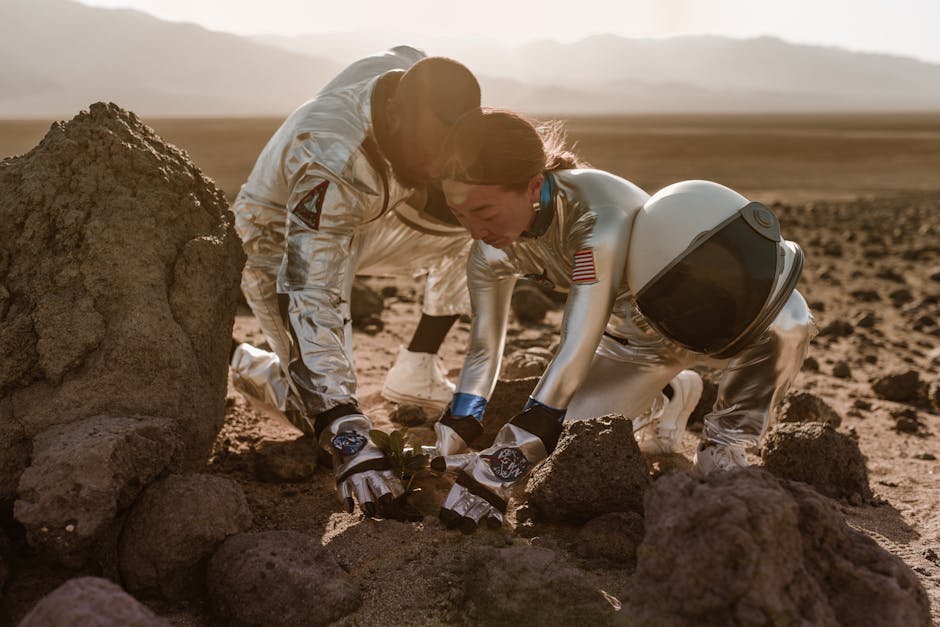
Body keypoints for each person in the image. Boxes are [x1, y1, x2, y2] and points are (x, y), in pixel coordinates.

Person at [429, 109, 815, 532]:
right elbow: (485, 348)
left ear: (532, 186)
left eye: (484, 212)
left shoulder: (596, 216)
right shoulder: (489, 252)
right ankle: (670, 393)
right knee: (571, 448)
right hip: (635, 346)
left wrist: (502, 464)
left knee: (789, 319)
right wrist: (456, 427)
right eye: (459, 214)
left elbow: (577, 340)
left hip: (706, 314)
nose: (475, 231)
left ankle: (726, 446)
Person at [229, 46, 481, 518]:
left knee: (481, 222)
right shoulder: (331, 156)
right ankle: (247, 363)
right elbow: (307, 289)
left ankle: (417, 366)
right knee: (320, 414)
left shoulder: (415, 77)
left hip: (367, 218)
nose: (435, 170)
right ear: (392, 115)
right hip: (279, 239)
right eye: (428, 154)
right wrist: (345, 430)